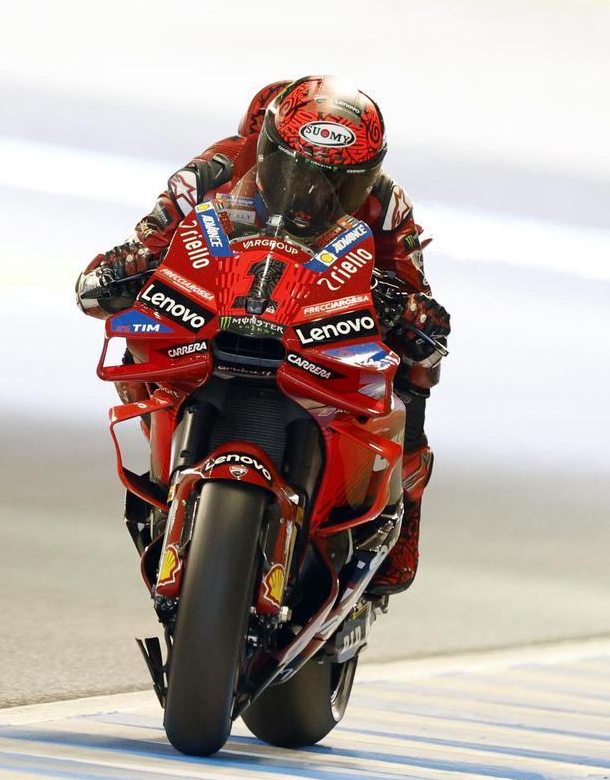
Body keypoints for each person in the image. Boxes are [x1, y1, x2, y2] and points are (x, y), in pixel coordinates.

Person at [76, 76, 450, 595]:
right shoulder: (216, 168)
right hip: (223, 310)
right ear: (266, 148)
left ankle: (404, 517)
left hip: (320, 323)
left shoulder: (387, 204)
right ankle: (164, 457)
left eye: (342, 182)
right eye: (297, 170)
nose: (314, 192)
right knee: (137, 333)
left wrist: (413, 315)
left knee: (417, 372)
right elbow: (152, 237)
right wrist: (126, 269)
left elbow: (418, 297)